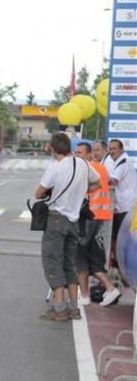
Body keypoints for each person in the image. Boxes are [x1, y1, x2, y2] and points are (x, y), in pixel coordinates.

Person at [35, 132, 100, 321]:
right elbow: (97, 183)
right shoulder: (82, 163)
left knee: (53, 263)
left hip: (56, 220)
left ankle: (59, 308)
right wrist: (80, 190)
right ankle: (73, 308)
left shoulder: (55, 167)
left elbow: (38, 193)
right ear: (69, 147)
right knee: (70, 264)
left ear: (52, 148)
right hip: (74, 221)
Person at [74, 141, 120, 307]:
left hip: (88, 217)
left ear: (88, 154)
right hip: (101, 218)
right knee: (94, 256)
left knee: (80, 256)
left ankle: (85, 295)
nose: (76, 155)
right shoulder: (101, 168)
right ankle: (110, 288)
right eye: (75, 152)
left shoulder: (84, 169)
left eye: (79, 152)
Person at [105, 138, 136, 266]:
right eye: (110, 149)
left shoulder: (123, 162)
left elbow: (113, 181)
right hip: (123, 206)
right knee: (118, 238)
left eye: (114, 149)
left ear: (121, 149)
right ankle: (118, 264)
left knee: (119, 239)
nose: (112, 151)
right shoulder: (118, 161)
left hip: (124, 207)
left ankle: (120, 265)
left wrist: (96, 179)